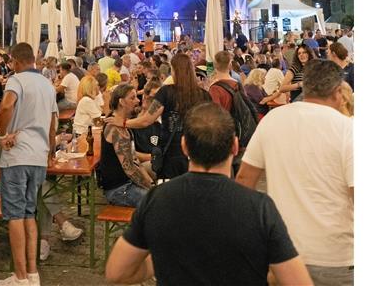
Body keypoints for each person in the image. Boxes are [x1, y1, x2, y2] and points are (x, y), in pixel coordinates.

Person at [104, 103, 311, 286]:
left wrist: (156, 263)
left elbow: (117, 271)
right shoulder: (259, 207)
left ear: (185, 146)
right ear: (235, 146)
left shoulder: (156, 199)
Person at [237, 59, 354, 286]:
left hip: (283, 256)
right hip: (337, 257)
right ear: (338, 91)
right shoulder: (348, 129)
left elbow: (243, 182)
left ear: (305, 86)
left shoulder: (273, 120)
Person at [0, 43, 58, 286]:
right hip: (39, 156)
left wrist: (2, 134)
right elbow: (52, 126)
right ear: (33, 59)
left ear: (15, 61)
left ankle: (20, 277)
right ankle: (32, 274)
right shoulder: (48, 85)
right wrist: (51, 152)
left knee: (15, 216)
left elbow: (7, 105)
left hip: (17, 155)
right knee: (30, 213)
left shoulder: (16, 80)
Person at [115, 53, 210, 180]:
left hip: (171, 152)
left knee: (170, 193)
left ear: (174, 70)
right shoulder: (204, 95)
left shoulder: (166, 92)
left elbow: (146, 120)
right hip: (196, 152)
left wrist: (124, 122)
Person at [98, 84, 156, 207]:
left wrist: (150, 184)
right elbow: (129, 168)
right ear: (121, 102)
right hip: (119, 190)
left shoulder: (124, 125)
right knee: (157, 203)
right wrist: (150, 187)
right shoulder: (115, 128)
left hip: (128, 184)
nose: (138, 100)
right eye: (132, 98)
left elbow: (135, 161)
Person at [263, 44, 314, 108]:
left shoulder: (314, 68)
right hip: (298, 102)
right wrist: (299, 84)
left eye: (304, 52)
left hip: (312, 102)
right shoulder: (294, 69)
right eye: (299, 53)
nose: (301, 55)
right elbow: (282, 88)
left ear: (309, 54)